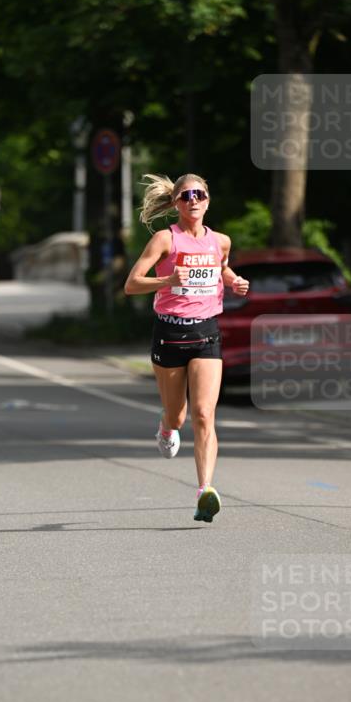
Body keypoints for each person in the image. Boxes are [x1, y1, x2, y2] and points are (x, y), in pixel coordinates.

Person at [124, 173, 249, 522]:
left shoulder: (220, 241)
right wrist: (167, 280)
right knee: (177, 415)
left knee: (205, 414)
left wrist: (233, 280)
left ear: (208, 200)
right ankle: (166, 427)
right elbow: (132, 284)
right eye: (185, 196)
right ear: (176, 203)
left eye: (199, 194)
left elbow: (220, 268)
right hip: (170, 334)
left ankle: (204, 490)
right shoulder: (166, 240)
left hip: (207, 333)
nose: (193, 200)